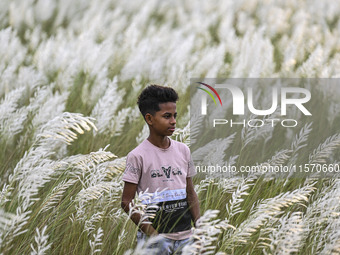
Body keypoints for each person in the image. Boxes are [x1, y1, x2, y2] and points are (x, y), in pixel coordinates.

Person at [121, 84, 200, 254]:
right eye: (167, 116)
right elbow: (126, 202)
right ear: (149, 119)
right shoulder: (137, 156)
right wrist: (154, 235)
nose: (173, 121)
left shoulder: (183, 150)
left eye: (174, 116)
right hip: (156, 240)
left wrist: (200, 230)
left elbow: (190, 193)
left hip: (186, 238)